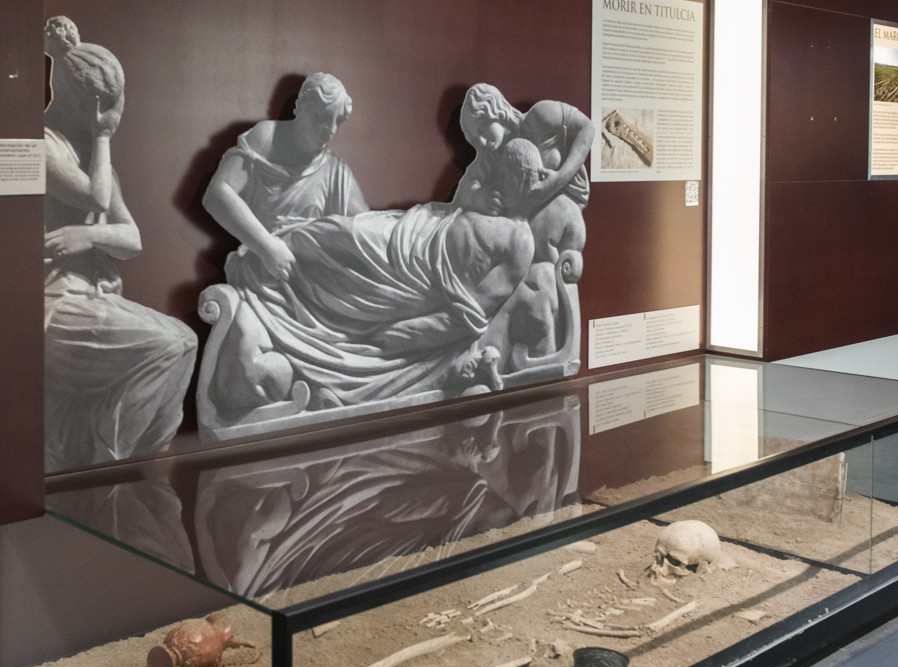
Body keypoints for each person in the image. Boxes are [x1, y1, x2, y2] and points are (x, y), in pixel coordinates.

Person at [198, 139, 545, 421]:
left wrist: (405, 334)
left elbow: (473, 313)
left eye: (517, 176)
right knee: (344, 232)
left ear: (530, 182)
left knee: (342, 268)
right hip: (412, 231)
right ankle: (262, 259)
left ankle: (278, 293)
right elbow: (460, 197)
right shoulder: (490, 194)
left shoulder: (520, 241)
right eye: (506, 171)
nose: (506, 181)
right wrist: (473, 197)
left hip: (419, 283)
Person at [43, 19, 196, 471]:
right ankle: (105, 463)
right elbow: (95, 197)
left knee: (184, 341)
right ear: (83, 104)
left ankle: (134, 460)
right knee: (167, 346)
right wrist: (105, 137)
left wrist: (87, 235)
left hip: (95, 297)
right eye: (107, 107)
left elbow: (131, 239)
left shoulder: (95, 161)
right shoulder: (41, 148)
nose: (114, 117)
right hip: (54, 300)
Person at [202, 72, 368, 282]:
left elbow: (364, 230)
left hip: (317, 273)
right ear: (300, 107)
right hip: (268, 268)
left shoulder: (336, 172)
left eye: (338, 122)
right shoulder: (266, 139)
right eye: (321, 117)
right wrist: (267, 248)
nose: (331, 130)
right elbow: (217, 194)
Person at [453, 83, 595, 217]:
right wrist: (478, 198)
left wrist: (557, 180)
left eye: (482, 129)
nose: (483, 142)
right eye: (477, 138)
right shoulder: (491, 154)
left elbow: (587, 128)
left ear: (495, 110)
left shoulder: (540, 116)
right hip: (525, 222)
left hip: (566, 207)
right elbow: (463, 191)